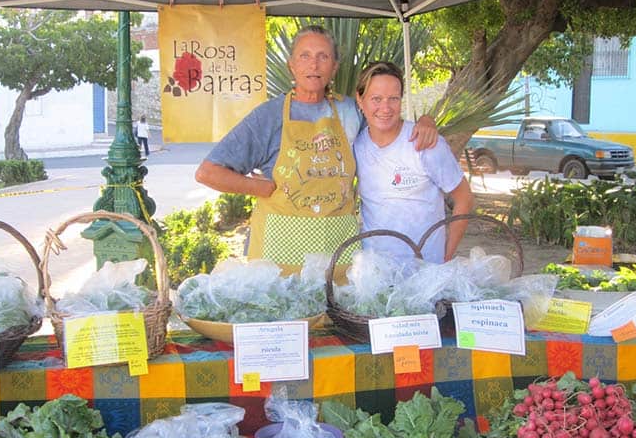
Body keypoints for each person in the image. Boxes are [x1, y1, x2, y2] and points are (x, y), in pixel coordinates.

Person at [195, 25, 438, 276]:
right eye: (305, 56)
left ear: (334, 67)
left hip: (338, 250)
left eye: (323, 57)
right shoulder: (268, 116)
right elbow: (208, 172)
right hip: (279, 253)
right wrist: (261, 188)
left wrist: (426, 120)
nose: (314, 65)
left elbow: (388, 125)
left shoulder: (350, 112)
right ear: (291, 65)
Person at [353, 61, 474, 263]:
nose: (385, 108)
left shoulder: (425, 143)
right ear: (360, 99)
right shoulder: (356, 144)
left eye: (393, 99)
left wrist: (445, 257)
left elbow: (464, 198)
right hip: (375, 272)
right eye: (376, 99)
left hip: (424, 271)